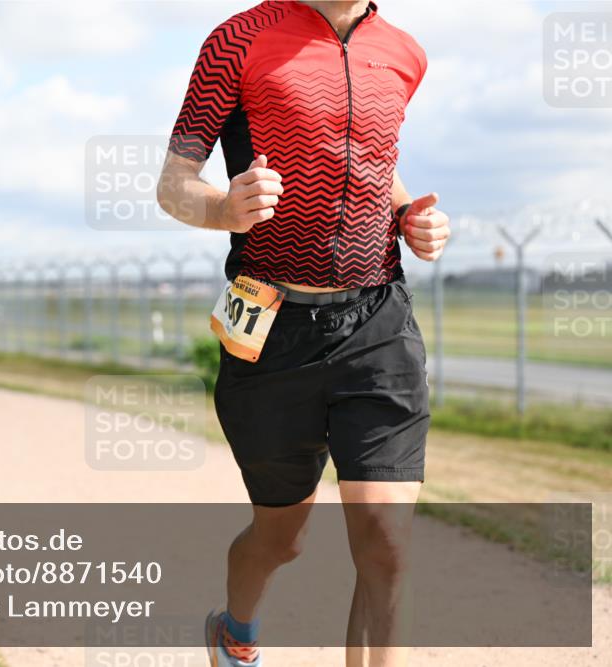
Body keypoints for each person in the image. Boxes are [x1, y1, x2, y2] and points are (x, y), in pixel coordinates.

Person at [156, 2, 451, 666]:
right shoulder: (238, 40)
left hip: (377, 323)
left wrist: (410, 213)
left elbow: (370, 156)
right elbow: (173, 185)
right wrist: (223, 208)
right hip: (272, 332)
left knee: (386, 541)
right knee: (280, 537)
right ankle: (235, 631)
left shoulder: (405, 52)